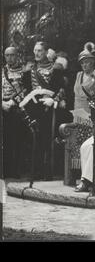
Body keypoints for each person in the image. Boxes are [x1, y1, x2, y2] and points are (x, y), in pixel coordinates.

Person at [22, 41, 69, 180]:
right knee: (35, 138)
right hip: (35, 107)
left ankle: (48, 171)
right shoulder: (30, 69)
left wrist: (54, 100)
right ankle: (36, 171)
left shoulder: (56, 68)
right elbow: (26, 90)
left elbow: (61, 89)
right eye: (35, 50)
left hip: (50, 107)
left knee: (48, 138)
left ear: (46, 51)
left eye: (40, 51)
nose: (36, 53)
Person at [2, 46, 26, 178]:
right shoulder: (2, 70)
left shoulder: (23, 71)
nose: (9, 58)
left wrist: (13, 102)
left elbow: (25, 90)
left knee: (16, 139)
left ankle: (15, 170)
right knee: (4, 140)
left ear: (17, 55)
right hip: (2, 106)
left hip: (16, 108)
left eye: (12, 55)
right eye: (7, 55)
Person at [73, 42, 95, 113]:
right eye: (82, 63)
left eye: (86, 62)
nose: (84, 65)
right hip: (77, 110)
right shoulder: (79, 75)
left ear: (92, 62)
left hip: (90, 110)